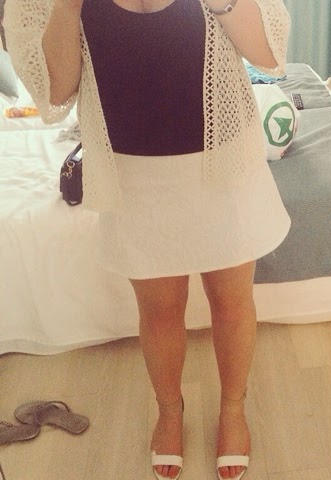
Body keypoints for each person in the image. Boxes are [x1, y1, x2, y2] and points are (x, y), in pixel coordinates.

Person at [4, 0, 291, 479]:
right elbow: (55, 92)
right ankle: (169, 411)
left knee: (232, 301)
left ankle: (233, 410)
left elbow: (269, 54)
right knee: (159, 310)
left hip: (224, 160)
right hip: (131, 175)